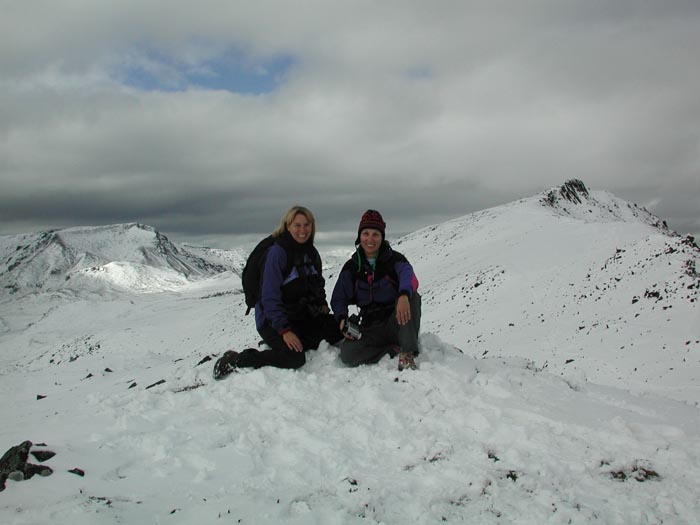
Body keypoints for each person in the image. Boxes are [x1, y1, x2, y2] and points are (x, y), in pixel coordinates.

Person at [214, 206, 343, 379]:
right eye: (297, 225)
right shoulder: (278, 253)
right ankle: (238, 359)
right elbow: (269, 297)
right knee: (295, 358)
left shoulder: (311, 254)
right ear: (287, 226)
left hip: (300, 316)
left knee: (339, 328)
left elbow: (317, 284)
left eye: (307, 225)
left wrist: (321, 306)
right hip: (272, 321)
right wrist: (285, 331)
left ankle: (291, 341)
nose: (302, 230)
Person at [331, 210, 421, 370]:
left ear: (382, 237)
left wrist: (403, 295)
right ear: (360, 237)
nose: (370, 239)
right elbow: (338, 298)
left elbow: (410, 278)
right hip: (369, 327)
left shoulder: (395, 260)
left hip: (396, 322)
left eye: (375, 234)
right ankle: (391, 351)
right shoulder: (351, 267)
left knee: (412, 297)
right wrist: (342, 318)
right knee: (348, 354)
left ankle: (408, 353)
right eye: (366, 234)